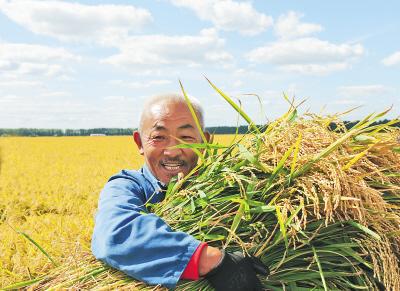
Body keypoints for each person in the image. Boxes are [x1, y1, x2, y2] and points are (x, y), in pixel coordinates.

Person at [91, 93, 267, 290]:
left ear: (206, 142)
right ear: (139, 142)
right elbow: (116, 233)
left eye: (186, 137)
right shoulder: (127, 186)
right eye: (158, 137)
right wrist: (213, 261)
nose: (173, 151)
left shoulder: (228, 188)